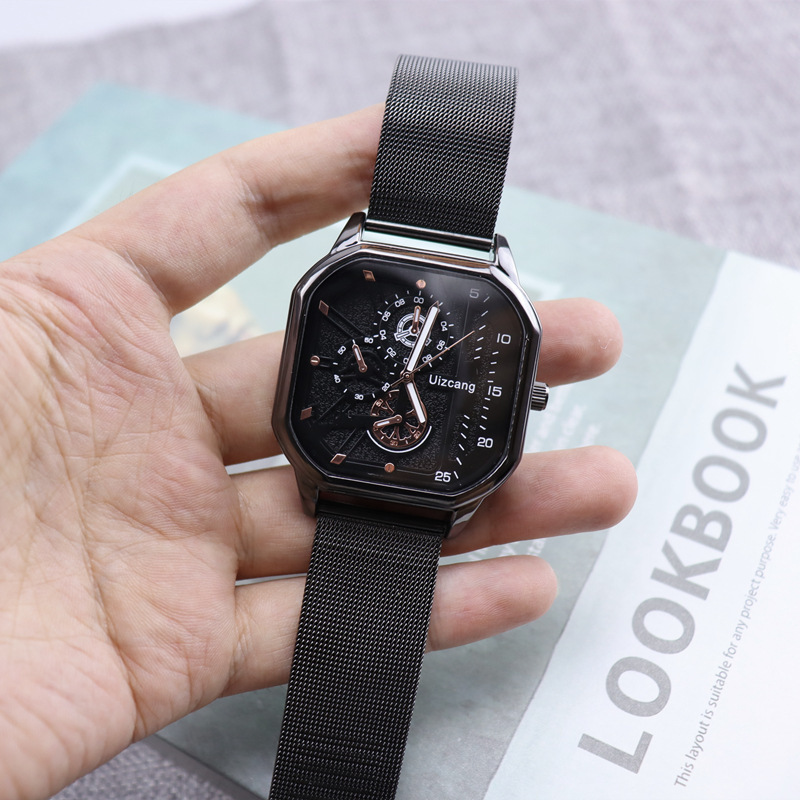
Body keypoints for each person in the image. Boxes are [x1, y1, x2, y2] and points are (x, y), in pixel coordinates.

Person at [0, 104, 637, 800]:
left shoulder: (481, 309)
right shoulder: (356, 285)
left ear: (526, 397)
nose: (404, 378)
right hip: (333, 474)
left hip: (427, 491)